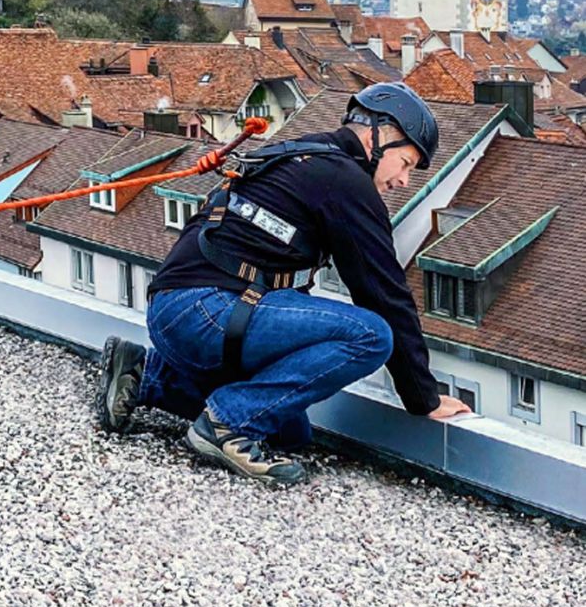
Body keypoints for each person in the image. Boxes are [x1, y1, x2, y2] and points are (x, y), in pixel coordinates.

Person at [96, 82, 471, 485]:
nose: (403, 180)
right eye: (407, 162)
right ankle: (225, 426)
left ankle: (145, 374)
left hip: (177, 308)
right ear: (379, 136)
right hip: (207, 312)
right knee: (372, 335)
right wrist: (422, 397)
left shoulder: (299, 153)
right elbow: (384, 294)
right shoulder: (345, 181)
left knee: (289, 432)